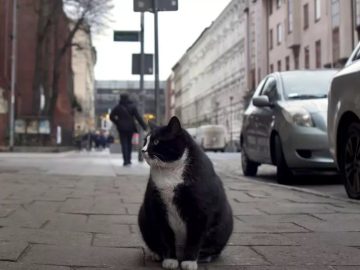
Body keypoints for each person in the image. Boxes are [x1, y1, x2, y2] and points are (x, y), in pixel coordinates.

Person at [110, 94, 147, 166]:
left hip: (121, 128)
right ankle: (129, 160)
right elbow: (138, 117)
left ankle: (125, 160)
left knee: (124, 143)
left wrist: (117, 122)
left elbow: (111, 116)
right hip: (130, 128)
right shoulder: (132, 107)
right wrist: (144, 126)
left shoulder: (118, 107)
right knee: (129, 143)